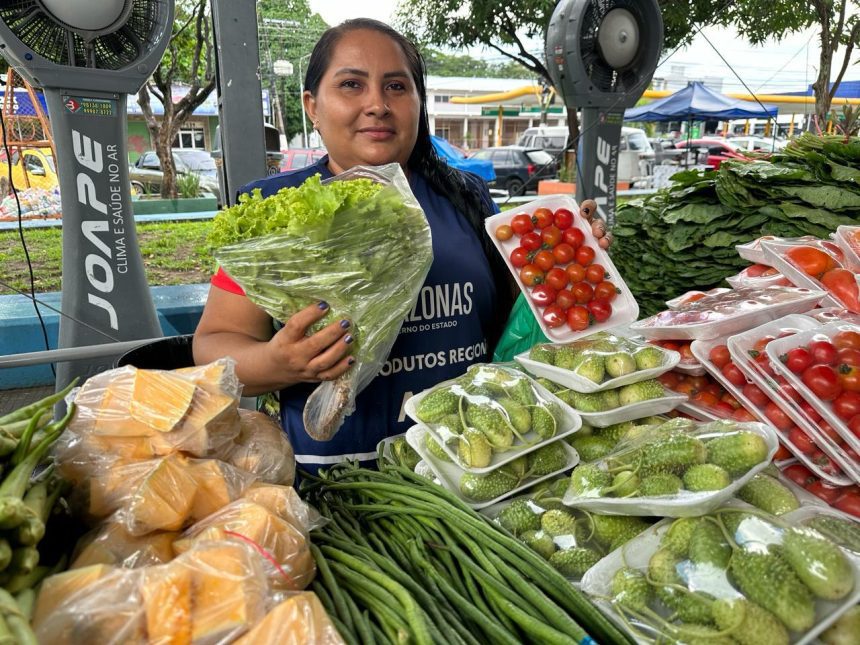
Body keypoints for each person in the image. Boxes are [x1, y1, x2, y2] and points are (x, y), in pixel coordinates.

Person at [193, 18, 609, 472]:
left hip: (474, 467)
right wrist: (279, 363)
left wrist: (569, 263)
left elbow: (517, 323)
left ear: (417, 102)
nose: (377, 104)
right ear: (313, 105)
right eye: (351, 84)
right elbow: (214, 344)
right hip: (343, 483)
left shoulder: (465, 196)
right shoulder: (276, 210)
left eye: (396, 86)